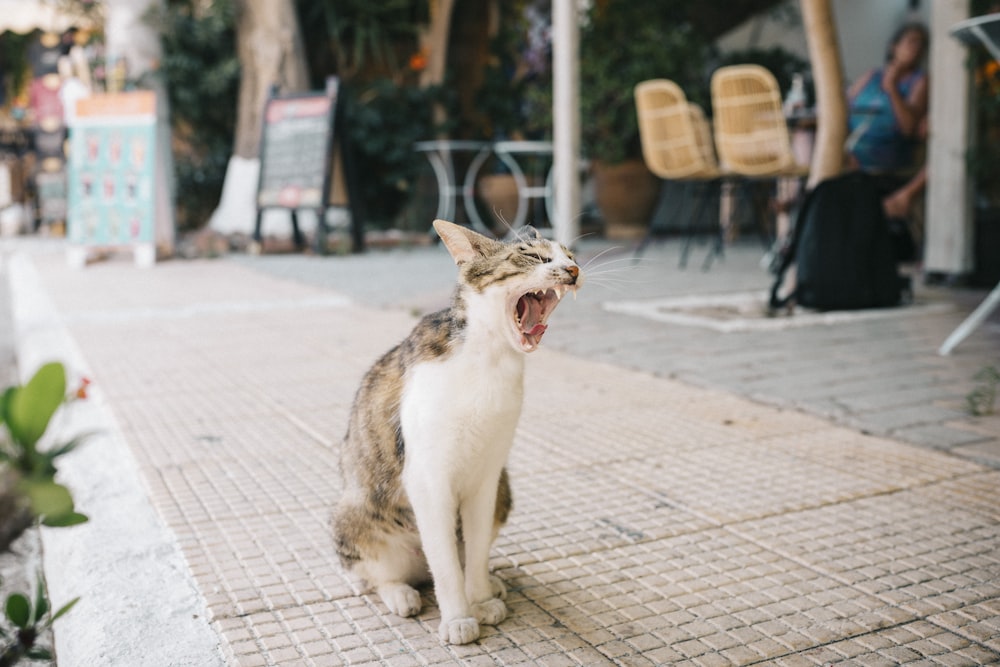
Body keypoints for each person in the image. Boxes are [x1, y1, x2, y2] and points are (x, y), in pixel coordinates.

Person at [847, 21, 929, 261]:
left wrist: (892, 88)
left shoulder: (919, 81)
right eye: (911, 41)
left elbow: (907, 128)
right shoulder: (872, 75)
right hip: (852, 153)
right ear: (894, 46)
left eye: (921, 44)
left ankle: (793, 201)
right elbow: (843, 108)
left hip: (890, 155)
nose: (916, 48)